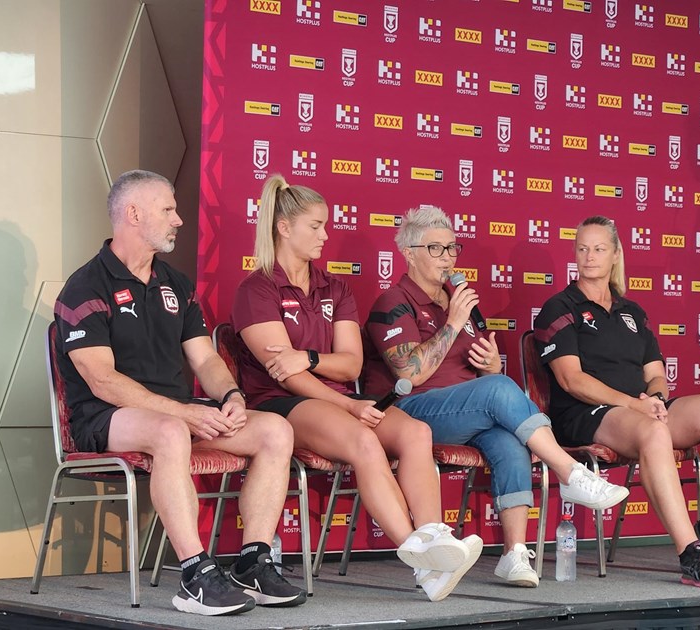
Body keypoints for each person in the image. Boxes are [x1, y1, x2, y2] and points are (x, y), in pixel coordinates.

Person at [54, 170, 306, 616]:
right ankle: (195, 576)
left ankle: (253, 561)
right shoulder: (85, 287)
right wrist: (185, 415)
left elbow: (206, 360)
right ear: (134, 214)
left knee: (274, 431)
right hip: (106, 418)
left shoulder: (177, 284)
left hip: (178, 413)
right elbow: (101, 380)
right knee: (170, 431)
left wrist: (231, 396)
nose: (179, 220)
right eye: (168, 209)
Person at [231, 175, 481, 602]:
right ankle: (424, 563)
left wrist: (309, 357)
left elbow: (351, 362)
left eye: (326, 225)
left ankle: (436, 538)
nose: (326, 235)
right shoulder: (257, 289)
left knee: (415, 432)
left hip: (339, 397)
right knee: (365, 441)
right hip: (283, 404)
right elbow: (286, 376)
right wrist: (344, 404)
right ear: (284, 228)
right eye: (316, 226)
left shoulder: (336, 287)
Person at [362, 206, 629, 588]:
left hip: (466, 411)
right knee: (499, 390)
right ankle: (568, 470)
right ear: (408, 252)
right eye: (436, 249)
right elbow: (409, 372)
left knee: (509, 441)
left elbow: (480, 375)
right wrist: (454, 324)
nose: (448, 258)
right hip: (411, 413)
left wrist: (488, 366)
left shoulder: (462, 303)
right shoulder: (393, 302)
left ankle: (513, 553)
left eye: (452, 248)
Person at [534, 215, 700, 588]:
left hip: (638, 408)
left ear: (615, 254)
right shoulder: (559, 306)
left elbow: (656, 372)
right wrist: (635, 405)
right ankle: (691, 553)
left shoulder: (632, 312)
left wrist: (657, 399)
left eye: (599, 249)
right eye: (582, 248)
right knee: (653, 432)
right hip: (586, 414)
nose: (589, 256)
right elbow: (572, 380)